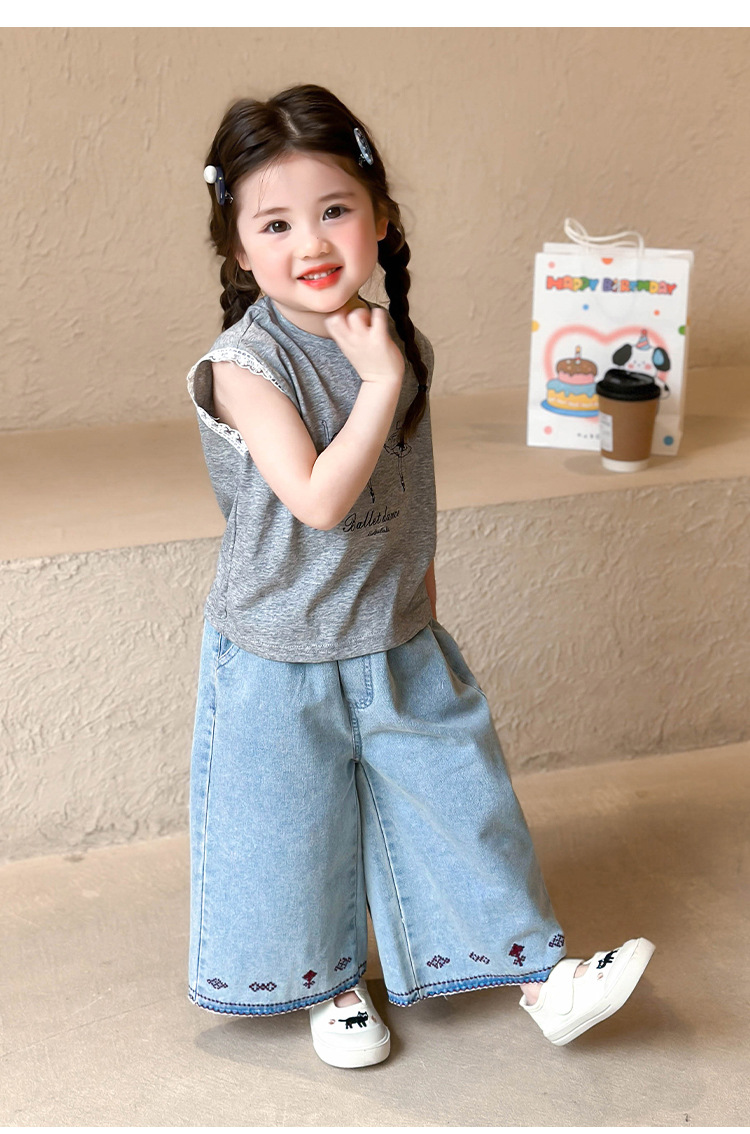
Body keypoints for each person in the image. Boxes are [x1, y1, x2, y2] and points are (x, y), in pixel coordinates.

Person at [185, 83, 654, 1069]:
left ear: (382, 217)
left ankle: (545, 981)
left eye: (335, 210)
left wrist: (422, 606)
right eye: (275, 223)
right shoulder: (244, 366)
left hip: (395, 635)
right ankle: (330, 986)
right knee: (293, 831)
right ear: (237, 250)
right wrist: (381, 381)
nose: (312, 242)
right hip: (279, 654)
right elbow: (319, 499)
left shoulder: (402, 347)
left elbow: (409, 495)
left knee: (462, 802)